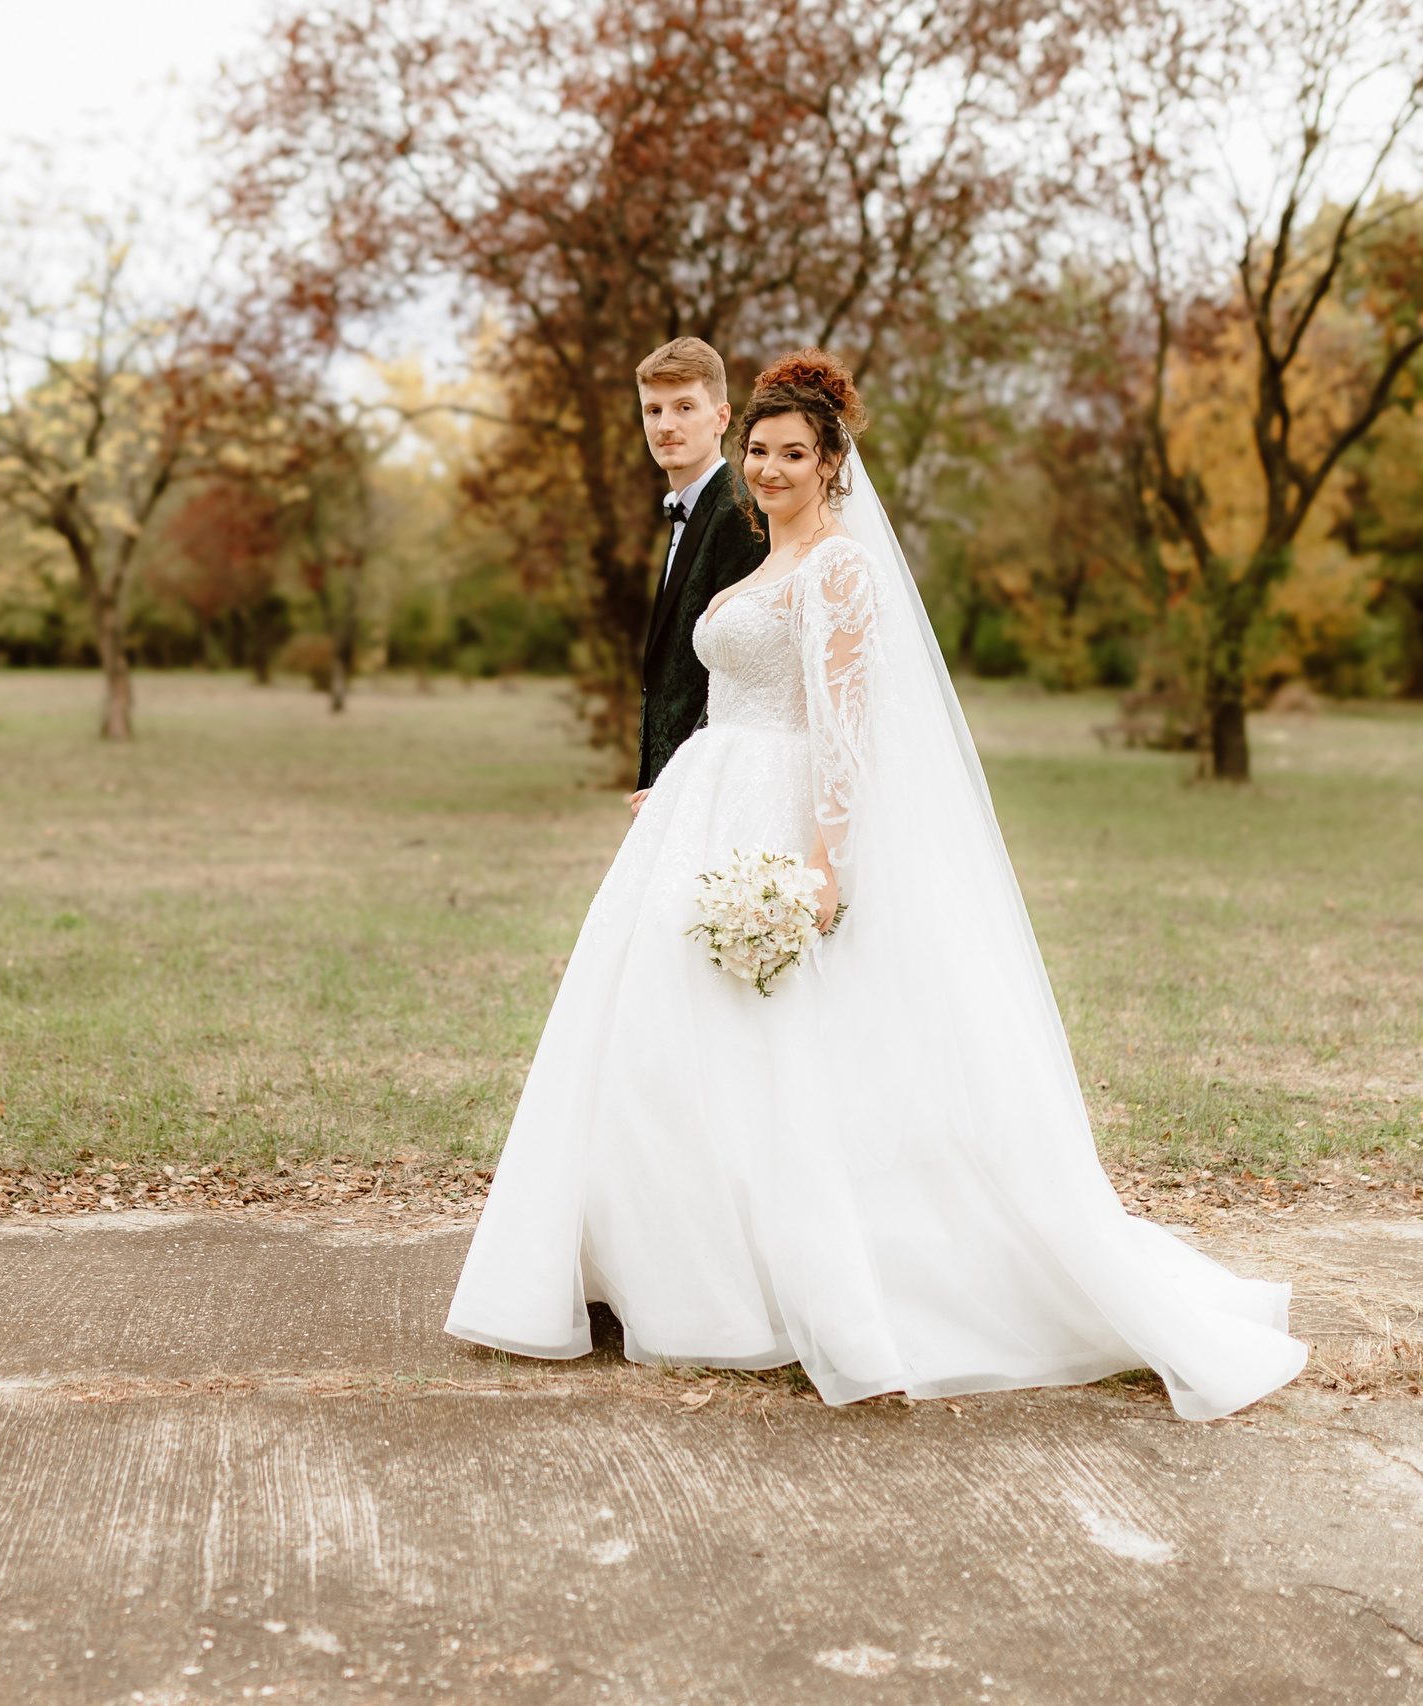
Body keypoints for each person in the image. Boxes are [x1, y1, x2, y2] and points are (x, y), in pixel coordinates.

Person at [444, 349, 1305, 1421]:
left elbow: (844, 734)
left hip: (779, 821)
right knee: (662, 1041)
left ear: (831, 459)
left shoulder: (841, 570)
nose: (765, 468)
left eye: (789, 452)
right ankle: (663, 1264)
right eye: (755, 450)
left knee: (783, 1050)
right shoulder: (755, 562)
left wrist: (823, 866)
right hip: (701, 811)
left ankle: (796, 1280)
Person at [631, 338, 769, 819]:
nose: (665, 425)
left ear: (721, 417)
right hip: (668, 778)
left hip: (709, 784)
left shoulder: (740, 512)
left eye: (684, 407)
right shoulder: (690, 510)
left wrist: (681, 780)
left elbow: (743, 666)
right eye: (653, 410)